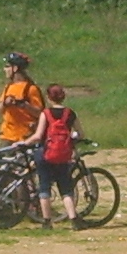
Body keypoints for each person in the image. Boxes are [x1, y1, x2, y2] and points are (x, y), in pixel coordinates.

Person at [37, 84, 80, 224]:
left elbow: (38, 135)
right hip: (63, 155)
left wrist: (24, 142)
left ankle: (46, 221)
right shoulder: (70, 113)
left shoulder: (46, 113)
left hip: (46, 153)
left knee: (44, 187)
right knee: (66, 188)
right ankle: (74, 219)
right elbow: (80, 133)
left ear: (48, 97)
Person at [0, 52, 46, 147]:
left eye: (7, 66)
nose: (4, 69)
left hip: (25, 137)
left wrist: (24, 105)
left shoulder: (30, 88)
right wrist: (5, 103)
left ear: (15, 68)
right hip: (8, 136)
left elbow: (40, 113)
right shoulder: (8, 87)